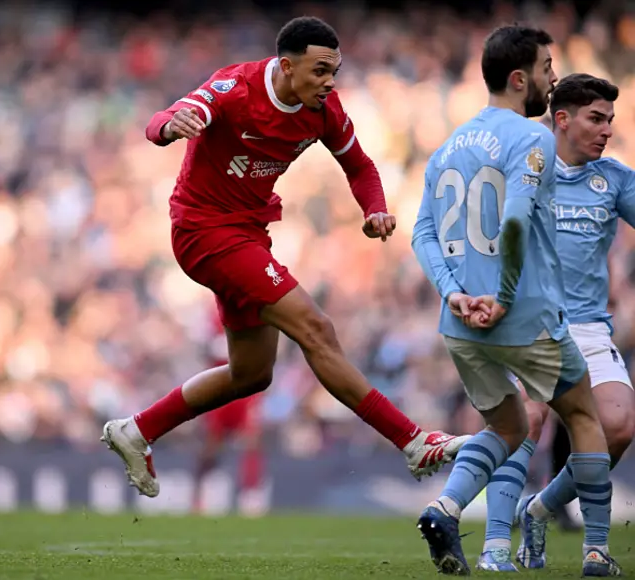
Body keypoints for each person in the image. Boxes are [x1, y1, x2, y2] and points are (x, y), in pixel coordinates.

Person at [100, 16, 470, 499]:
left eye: (333, 70)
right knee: (316, 328)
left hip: (250, 234)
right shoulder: (234, 88)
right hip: (203, 231)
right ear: (286, 66)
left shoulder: (324, 109)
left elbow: (359, 166)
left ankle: (137, 429)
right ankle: (413, 440)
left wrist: (375, 208)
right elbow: (159, 122)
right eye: (319, 70)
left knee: (252, 374)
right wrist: (171, 126)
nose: (329, 81)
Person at [411, 26, 618, 577]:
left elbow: (423, 234)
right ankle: (597, 551)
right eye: (549, 69)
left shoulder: (446, 148)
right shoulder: (532, 141)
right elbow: (516, 219)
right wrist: (500, 298)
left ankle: (444, 508)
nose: (554, 81)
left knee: (507, 428)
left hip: (458, 325)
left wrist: (454, 293)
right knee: (584, 416)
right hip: (523, 315)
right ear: (520, 77)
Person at [479, 73, 633, 574]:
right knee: (529, 421)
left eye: (610, 119)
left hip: (588, 328)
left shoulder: (613, 179)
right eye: (596, 118)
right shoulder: (525, 169)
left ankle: (541, 506)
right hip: (528, 323)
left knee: (619, 426)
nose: (607, 129)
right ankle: (496, 545)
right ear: (562, 120)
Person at [193, 308, 266, 516]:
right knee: (211, 445)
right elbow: (203, 346)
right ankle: (200, 495)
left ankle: (251, 498)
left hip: (246, 387)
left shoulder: (252, 309)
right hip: (219, 385)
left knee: (252, 440)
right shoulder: (210, 313)